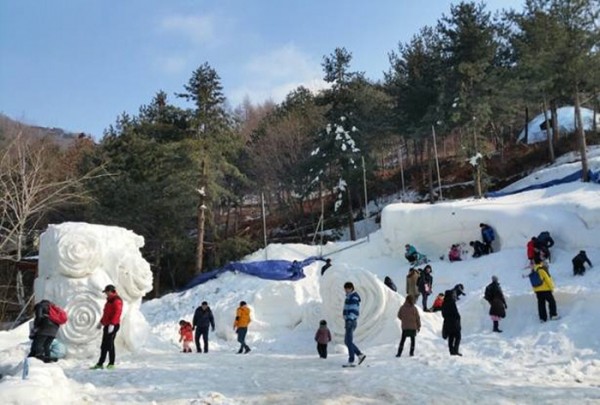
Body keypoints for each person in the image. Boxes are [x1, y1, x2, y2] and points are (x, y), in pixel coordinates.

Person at [91, 284, 123, 370]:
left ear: (110, 291)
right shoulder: (109, 300)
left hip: (113, 325)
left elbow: (117, 313)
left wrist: (112, 324)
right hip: (107, 325)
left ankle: (111, 363)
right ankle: (100, 363)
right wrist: (101, 322)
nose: (106, 294)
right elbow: (106, 313)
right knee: (104, 345)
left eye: (106, 292)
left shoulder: (117, 300)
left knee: (110, 344)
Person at [342, 282, 366, 367]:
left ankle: (351, 360)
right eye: (345, 289)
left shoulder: (353, 297)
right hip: (348, 321)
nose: (345, 290)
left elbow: (354, 310)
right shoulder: (349, 297)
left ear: (351, 288)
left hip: (351, 321)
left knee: (348, 341)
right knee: (347, 341)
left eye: (347, 289)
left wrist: (349, 319)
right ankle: (360, 355)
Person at [441, 289, 462, 356]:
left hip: (447, 323)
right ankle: (456, 350)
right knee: (458, 336)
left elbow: (443, 314)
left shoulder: (444, 303)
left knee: (451, 337)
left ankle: (451, 351)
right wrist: (458, 318)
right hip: (454, 323)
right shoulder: (452, 302)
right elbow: (455, 313)